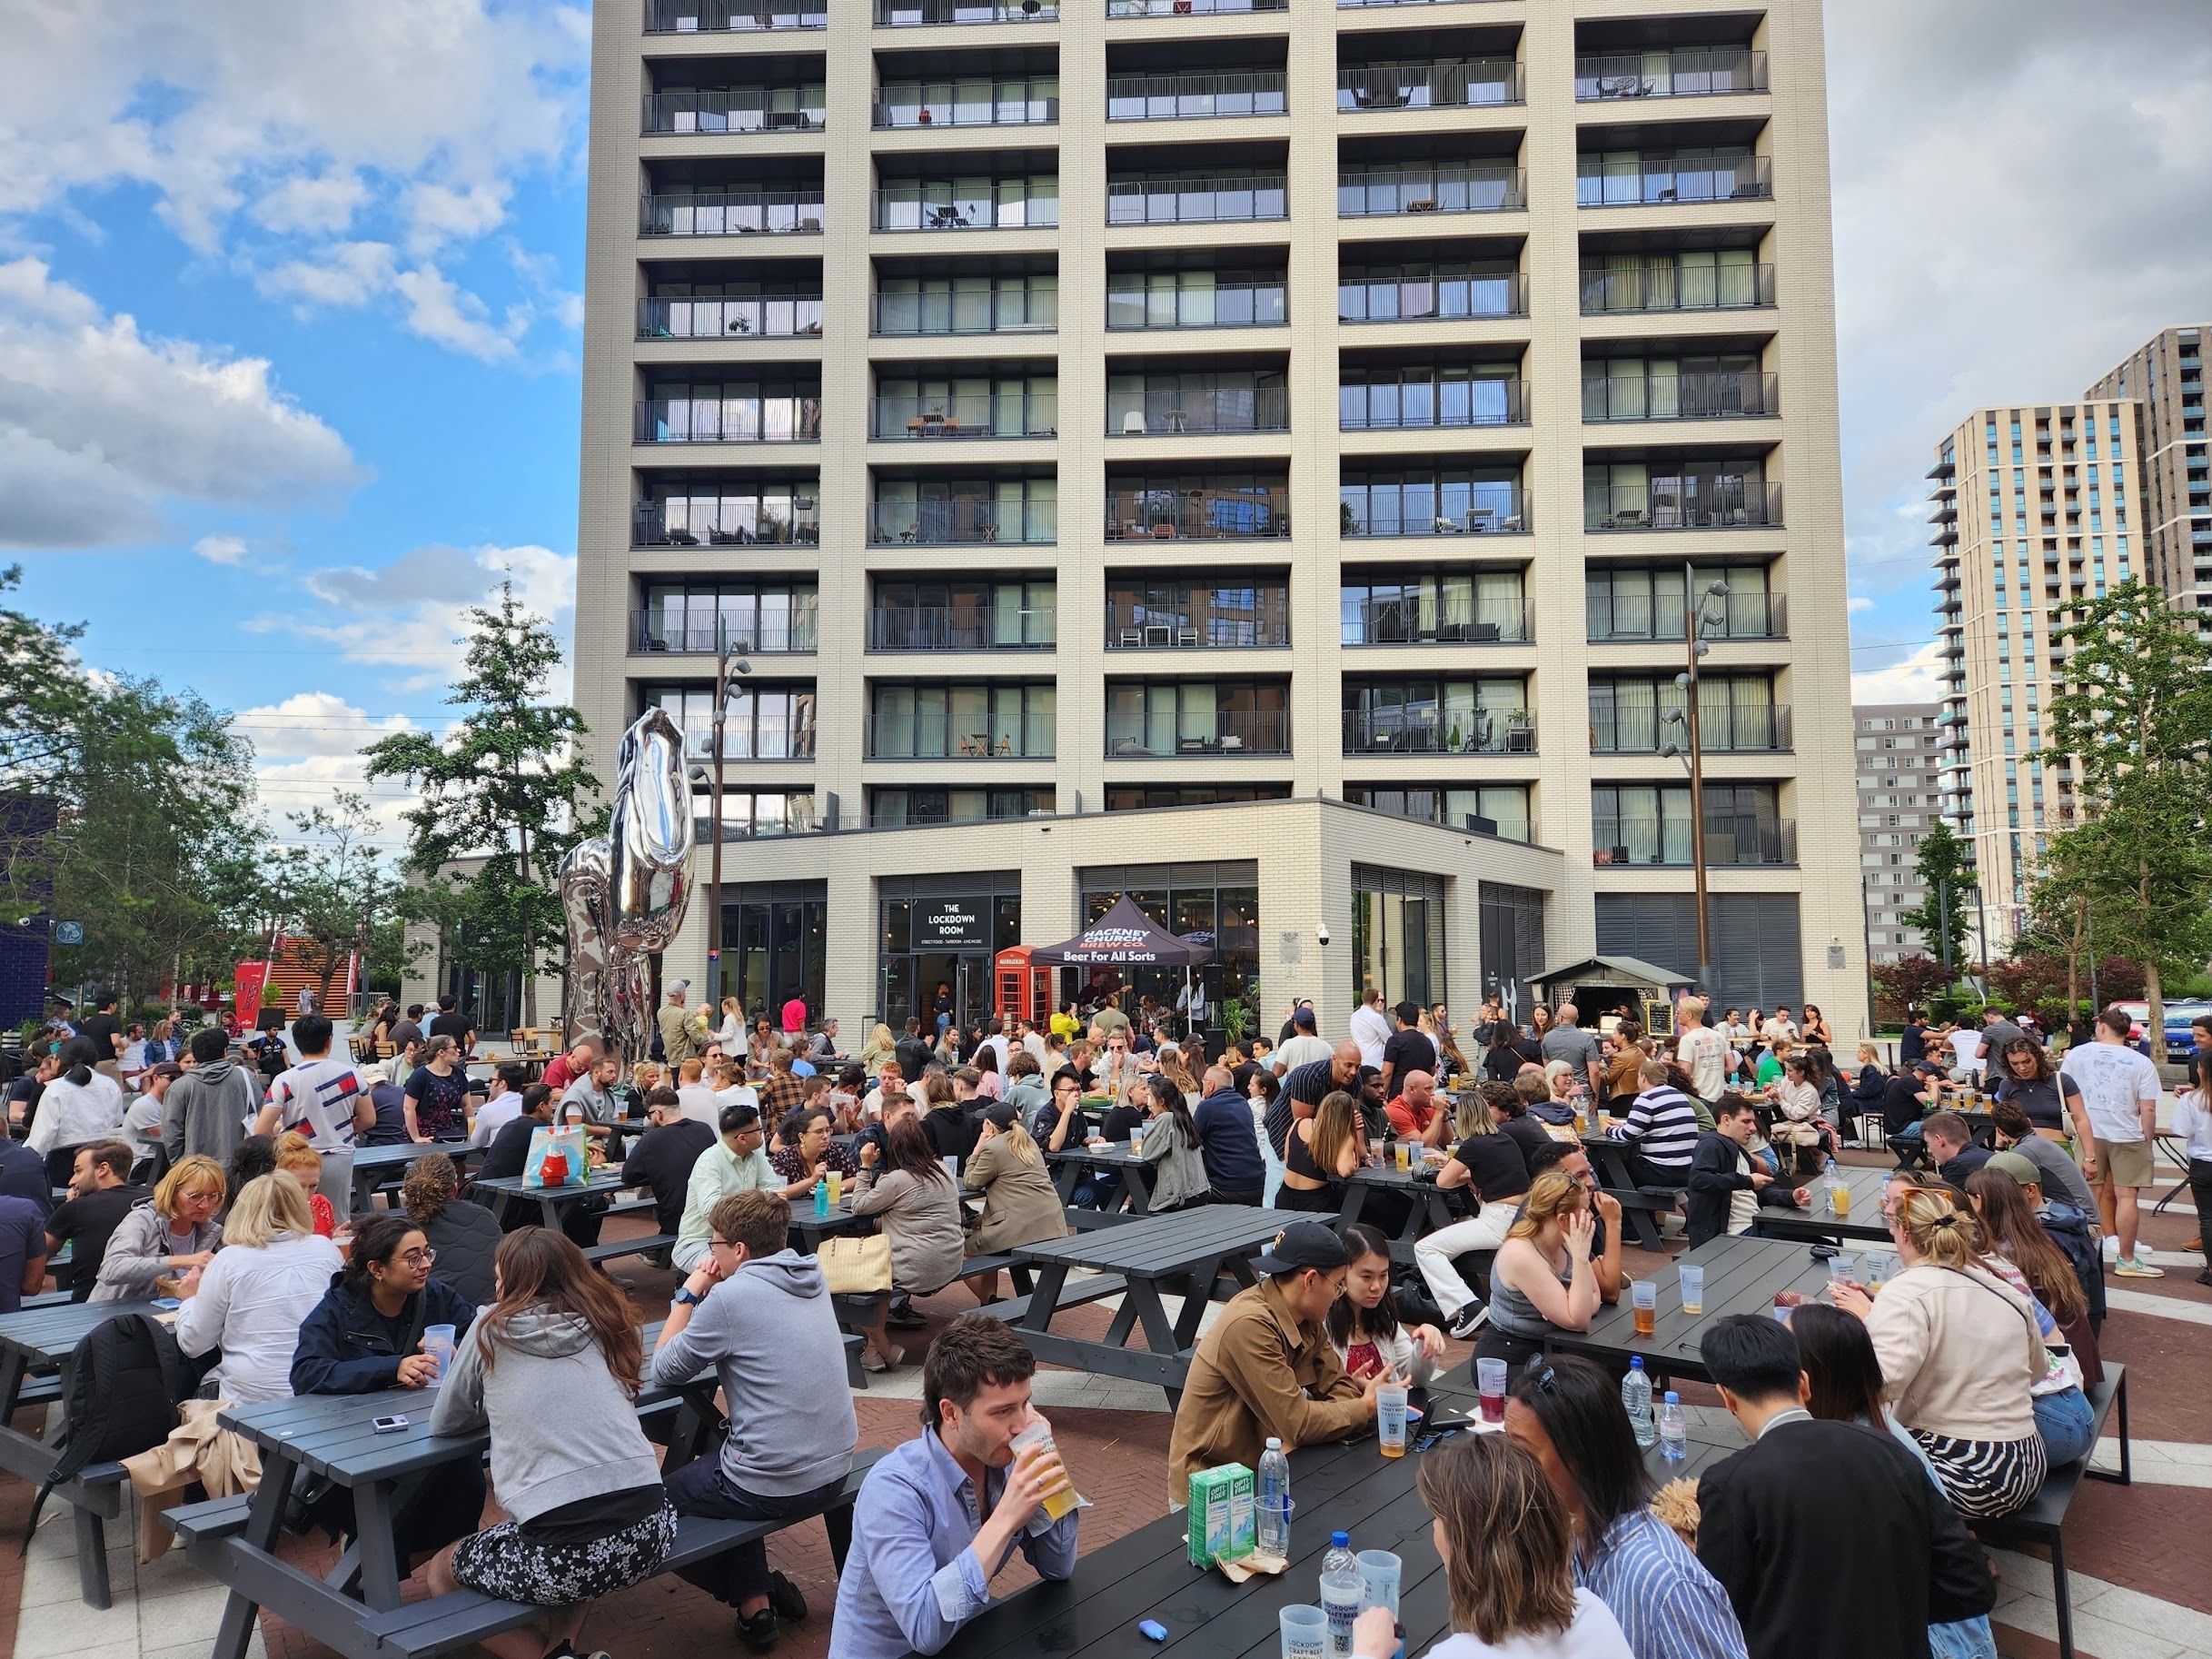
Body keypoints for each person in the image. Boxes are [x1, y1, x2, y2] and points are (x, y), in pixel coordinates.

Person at [426, 1229, 676, 1659]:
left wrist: (503, 1405)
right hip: (652, 1530)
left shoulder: (490, 1329)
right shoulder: (605, 1320)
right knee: (577, 1540)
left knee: (439, 1573)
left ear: (510, 1279)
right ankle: (561, 1647)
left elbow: (446, 1421)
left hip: (564, 1549)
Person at [1693, 1313, 1995, 1659]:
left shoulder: (1730, 1484)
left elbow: (1715, 1619)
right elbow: (1970, 1586)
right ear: (1804, 1384)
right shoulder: (1890, 1449)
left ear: (1727, 1398)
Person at [652, 1190, 858, 1652]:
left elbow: (663, 1367)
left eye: (714, 1245)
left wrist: (688, 1294)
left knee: (650, 1511)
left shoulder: (729, 1298)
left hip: (773, 1479)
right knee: (724, 1457)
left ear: (739, 1250)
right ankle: (757, 1608)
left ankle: (752, 1593)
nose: (710, 1254)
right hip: (836, 1462)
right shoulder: (813, 1274)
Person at [828, 1316, 1076, 1659]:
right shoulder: (894, 1490)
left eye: (1025, 1404)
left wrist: (1047, 1467)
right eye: (1003, 1411)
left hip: (969, 1638)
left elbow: (1058, 1565)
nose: (1022, 1426)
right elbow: (925, 1631)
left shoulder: (1002, 1460)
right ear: (951, 1413)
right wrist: (1005, 1519)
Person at [1786, 1304, 1999, 1659]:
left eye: (1783, 1348)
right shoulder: (1872, 1424)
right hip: (1953, 1631)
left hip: (1938, 1644)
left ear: (1808, 1377)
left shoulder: (1851, 1458)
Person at [1826, 1180, 2048, 1518]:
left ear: (1902, 1232)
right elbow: (2040, 1370)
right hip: (2026, 1460)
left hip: (1972, 1469)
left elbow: (1879, 1386)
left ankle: (1938, 1559)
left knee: (1836, 1432)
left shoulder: (1907, 1290)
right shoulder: (1999, 1285)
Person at [1501, 1356, 1747, 1659]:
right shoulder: (1573, 1538)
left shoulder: (1666, 1585)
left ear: (1581, 1456)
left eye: (1524, 1452)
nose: (1507, 1467)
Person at [1345, 1433, 1633, 1659]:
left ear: (1465, 1545)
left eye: (1438, 1518)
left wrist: (1367, 1653)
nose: (1434, 1528)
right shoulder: (1594, 1614)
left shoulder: (1457, 1655)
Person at [1166, 1221, 1382, 1500]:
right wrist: (1362, 1409)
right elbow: (1298, 1423)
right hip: (1213, 1487)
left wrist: (1349, 1405)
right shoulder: (1250, 1324)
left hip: (1264, 1472)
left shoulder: (1306, 1315)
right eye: (1338, 1285)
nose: (1339, 1295)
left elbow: (1338, 1386)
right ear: (1311, 1280)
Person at [1961, 1165, 2100, 1468]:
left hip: (2059, 1380)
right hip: (2082, 1358)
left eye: (1969, 1199)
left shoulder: (2002, 1255)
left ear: (1982, 1201)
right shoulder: (2036, 1234)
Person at [177, 1172, 343, 1403]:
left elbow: (194, 1344)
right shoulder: (326, 1250)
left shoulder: (229, 1260)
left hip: (250, 1399)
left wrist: (189, 1302)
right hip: (321, 1386)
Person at [850, 1116, 967, 1368]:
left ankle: (879, 1343)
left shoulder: (897, 1180)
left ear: (894, 1148)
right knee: (879, 1268)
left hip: (920, 1266)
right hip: (950, 1260)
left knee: (864, 1274)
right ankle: (874, 1352)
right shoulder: (942, 1171)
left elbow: (859, 1206)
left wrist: (865, 1167)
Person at [1415, 1088, 1532, 1337]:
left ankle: (1467, 1305)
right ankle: (1469, 1296)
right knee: (1454, 1227)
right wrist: (1461, 1169)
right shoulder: (1504, 1139)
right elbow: (1492, 1172)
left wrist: (1451, 1167)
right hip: (1520, 1215)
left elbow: (1443, 1183)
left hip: (1497, 1221)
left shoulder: (1473, 1144)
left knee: (1425, 1248)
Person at [2060, 1006, 2159, 1274]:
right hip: (2126, 1133)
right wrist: (2146, 1139)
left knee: (2089, 1195)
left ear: (2102, 1027)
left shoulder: (2078, 1054)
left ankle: (2087, 1258)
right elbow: (2148, 1108)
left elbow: (2063, 1089)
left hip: (2088, 1132)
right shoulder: (2141, 1062)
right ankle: (2126, 1259)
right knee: (2127, 1196)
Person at [1476, 1169, 1600, 1366]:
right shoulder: (1521, 1254)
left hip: (1551, 1349)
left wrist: (1573, 1302)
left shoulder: (1567, 1241)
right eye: (1585, 1210)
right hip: (1510, 1358)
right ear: (1563, 1219)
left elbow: (1595, 1295)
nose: (1591, 1216)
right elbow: (1578, 1322)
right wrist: (1580, 1260)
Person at [255, 1013, 375, 1213]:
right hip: (339, 1155)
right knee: (335, 1219)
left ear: (296, 1042)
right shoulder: (352, 1074)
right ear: (329, 1040)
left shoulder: (285, 1079)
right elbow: (369, 1119)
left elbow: (261, 1129)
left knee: (294, 1218)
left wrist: (286, 1139)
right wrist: (344, 1128)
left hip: (297, 1159)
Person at [675, 1103, 815, 1273]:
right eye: (758, 1130)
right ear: (742, 1138)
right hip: (700, 1241)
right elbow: (711, 1210)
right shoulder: (710, 1161)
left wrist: (763, 1199)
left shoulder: (755, 1155)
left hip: (745, 1241)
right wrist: (756, 1202)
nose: (762, 1133)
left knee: (783, 1266)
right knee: (721, 1268)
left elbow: (776, 1193)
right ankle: (694, 1297)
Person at [959, 1102, 1067, 1301]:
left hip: (1019, 1231)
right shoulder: (1029, 1141)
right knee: (986, 1239)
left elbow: (971, 1182)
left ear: (990, 1127)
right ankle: (990, 1301)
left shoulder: (992, 1148)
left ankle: (989, 1300)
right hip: (1051, 1225)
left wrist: (976, 1149)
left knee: (962, 1249)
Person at [1325, 1223, 1446, 1387]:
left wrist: (1425, 1345)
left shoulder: (1383, 1318)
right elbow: (1308, 1398)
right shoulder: (1321, 1325)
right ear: (1342, 1274)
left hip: (1390, 1411)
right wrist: (1352, 1387)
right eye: (1366, 1277)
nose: (1377, 1286)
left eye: (1383, 1275)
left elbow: (1415, 1379)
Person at [94, 1154, 225, 1302]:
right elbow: (111, 1269)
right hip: (114, 1315)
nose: (205, 1205)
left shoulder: (212, 1232)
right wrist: (181, 1261)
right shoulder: (142, 1220)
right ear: (173, 1194)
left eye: (213, 1196)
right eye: (195, 1197)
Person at [1686, 1096, 1809, 1247]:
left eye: (1753, 1121)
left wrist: (1790, 1196)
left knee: (1817, 1243)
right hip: (1732, 1235)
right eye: (1746, 1121)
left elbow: (1760, 1190)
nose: (1753, 1128)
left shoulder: (1738, 1150)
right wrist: (1747, 1181)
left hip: (1754, 1225)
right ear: (1726, 1120)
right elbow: (1699, 1179)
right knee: (1817, 1248)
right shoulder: (1711, 1144)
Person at [45, 1140, 144, 1301]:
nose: (72, 1181)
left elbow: (41, 1253)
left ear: (103, 1169)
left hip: (91, 1304)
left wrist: (69, 1207)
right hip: (151, 1299)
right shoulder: (153, 1197)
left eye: (78, 1171)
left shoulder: (76, 1208)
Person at [402, 1152, 503, 1306]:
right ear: (455, 1189)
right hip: (493, 1310)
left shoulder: (403, 1233)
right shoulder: (485, 1216)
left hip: (439, 1316)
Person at [618, 1088, 716, 1242]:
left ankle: (658, 1254)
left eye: (650, 1115)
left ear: (658, 1114)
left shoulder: (652, 1139)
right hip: (711, 1211)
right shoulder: (704, 1129)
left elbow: (628, 1174)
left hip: (678, 1219)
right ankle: (657, 1255)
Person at [1987, 1099, 2099, 1227]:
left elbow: (1994, 1181)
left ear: (2000, 1132)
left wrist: (1998, 1147)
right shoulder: (2038, 1143)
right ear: (2029, 1122)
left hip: (2081, 1226)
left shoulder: (2025, 1151)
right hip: (2080, 1218)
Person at [159, 1031, 255, 1170]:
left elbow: (171, 1131)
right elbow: (259, 1116)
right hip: (240, 1165)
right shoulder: (246, 1078)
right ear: (225, 1052)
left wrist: (179, 1163)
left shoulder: (180, 1086)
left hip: (195, 1168)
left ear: (196, 1055)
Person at [26, 1038, 126, 1167]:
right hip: (100, 1157)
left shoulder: (56, 1088)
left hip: (63, 1161)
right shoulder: (110, 1084)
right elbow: (117, 1119)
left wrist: (26, 1158)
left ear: (62, 1060)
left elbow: (41, 1137)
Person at [1609, 1060, 1700, 1189]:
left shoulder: (1646, 1098)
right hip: (1687, 1169)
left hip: (1661, 1170)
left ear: (1643, 1077)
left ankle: (1634, 1209)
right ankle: (1648, 1210)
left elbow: (1628, 1135)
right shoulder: (1678, 1095)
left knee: (1611, 1171)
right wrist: (1622, 1125)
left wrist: (1608, 1129)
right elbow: (1661, 1128)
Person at [1991, 1038, 2092, 1147]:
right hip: (2021, 1148)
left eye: (2027, 1061)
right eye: (2014, 1064)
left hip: (2057, 1147)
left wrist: (2090, 1156)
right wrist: (1999, 1147)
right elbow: (2003, 1122)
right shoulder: (2007, 1084)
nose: (2022, 1068)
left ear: (2037, 1057)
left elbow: (2081, 1119)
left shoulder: (2061, 1080)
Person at [1278, 1088, 1362, 1214]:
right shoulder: (1343, 1137)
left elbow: (1288, 1159)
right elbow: (1345, 1170)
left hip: (1284, 1197)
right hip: (1315, 1202)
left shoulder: (1299, 1123)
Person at [1191, 1064, 1265, 1205]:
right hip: (1258, 1182)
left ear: (1210, 1085)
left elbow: (1191, 1139)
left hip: (1227, 1186)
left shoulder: (1208, 1107)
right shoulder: (1243, 1103)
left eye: (1204, 1083)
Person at [1136, 1074, 1211, 1212]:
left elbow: (1147, 1153)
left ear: (1162, 1101)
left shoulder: (1166, 1119)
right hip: (1199, 1190)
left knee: (1136, 1210)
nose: (1148, 1103)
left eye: (1151, 1098)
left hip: (1179, 1197)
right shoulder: (1184, 1116)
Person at [2176, 1057, 2212, 1286]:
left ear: (2202, 1070)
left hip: (2202, 1161)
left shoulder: (2192, 1099)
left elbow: (2182, 1130)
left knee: (2208, 1217)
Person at [398, 1033, 471, 1144]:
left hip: (447, 1130)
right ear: (441, 1052)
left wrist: (473, 1130)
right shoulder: (420, 1075)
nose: (459, 1050)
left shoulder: (458, 1073)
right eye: (455, 1048)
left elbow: (466, 1105)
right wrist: (416, 1137)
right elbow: (408, 1108)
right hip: (423, 1131)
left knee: (458, 1159)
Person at [769, 1104, 860, 1187]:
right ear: (802, 1137)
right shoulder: (784, 1158)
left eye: (828, 1130)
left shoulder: (832, 1151)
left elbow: (856, 1178)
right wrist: (812, 1180)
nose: (825, 1136)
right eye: (819, 1132)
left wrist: (828, 1188)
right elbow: (779, 1191)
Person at [273, 1134, 340, 1236]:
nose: (305, 1194)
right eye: (299, 1186)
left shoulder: (320, 1205)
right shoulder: (269, 1210)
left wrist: (333, 1237)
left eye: (313, 1186)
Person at [1918, 1111, 1990, 1192]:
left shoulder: (1956, 1165)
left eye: (1928, 1143)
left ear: (1939, 1140)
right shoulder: (1989, 1155)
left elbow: (1948, 1203)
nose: (1929, 1150)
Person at [1378, 1001, 1437, 1098]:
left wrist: (1381, 1096)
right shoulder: (1427, 1042)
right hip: (1421, 1096)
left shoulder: (1395, 1041)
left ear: (1399, 1019)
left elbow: (1387, 1073)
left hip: (1400, 1096)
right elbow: (1432, 1072)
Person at [467, 1064, 530, 1149]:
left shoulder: (487, 1110)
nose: (490, 1085)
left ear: (502, 1084)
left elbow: (477, 1142)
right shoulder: (529, 1103)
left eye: (491, 1080)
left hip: (500, 1159)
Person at [359, 1063, 412, 1147]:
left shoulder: (367, 1098)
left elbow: (359, 1122)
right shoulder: (403, 1091)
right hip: (406, 1142)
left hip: (378, 1144)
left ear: (364, 1082)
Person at [660, 980, 708, 1068]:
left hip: (671, 1058)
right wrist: (709, 1038)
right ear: (682, 995)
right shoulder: (685, 1014)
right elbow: (697, 1038)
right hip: (685, 1060)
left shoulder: (661, 1012)